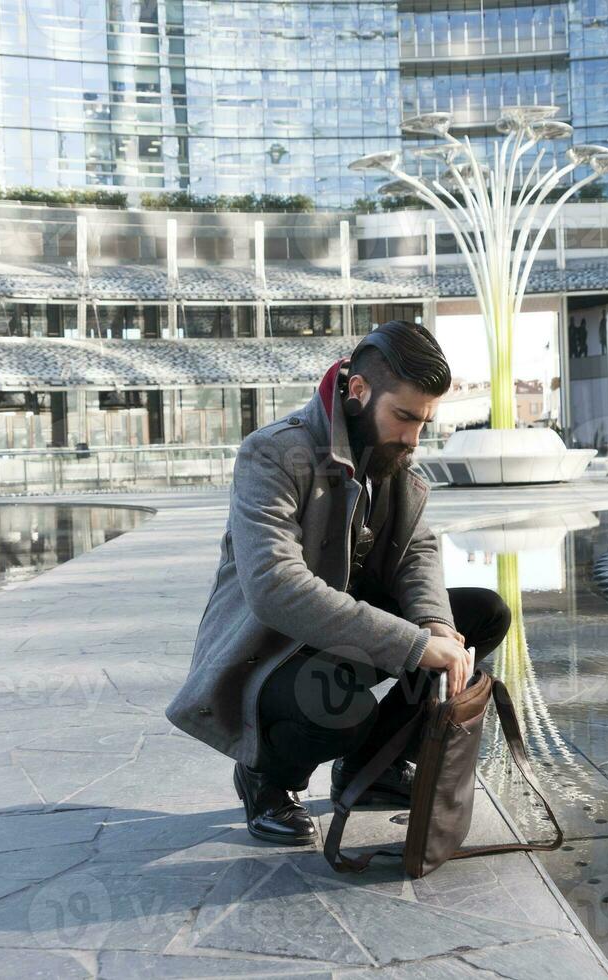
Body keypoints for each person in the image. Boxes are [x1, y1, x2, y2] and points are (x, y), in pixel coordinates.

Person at [166, 321, 512, 845]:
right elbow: (276, 585)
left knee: (482, 614)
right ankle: (265, 778)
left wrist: (436, 626)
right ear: (358, 391)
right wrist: (417, 646)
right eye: (404, 417)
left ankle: (371, 769)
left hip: (345, 637)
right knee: (343, 711)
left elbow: (417, 553)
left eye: (424, 422)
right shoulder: (274, 454)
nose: (413, 438)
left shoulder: (394, 461)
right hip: (271, 651)